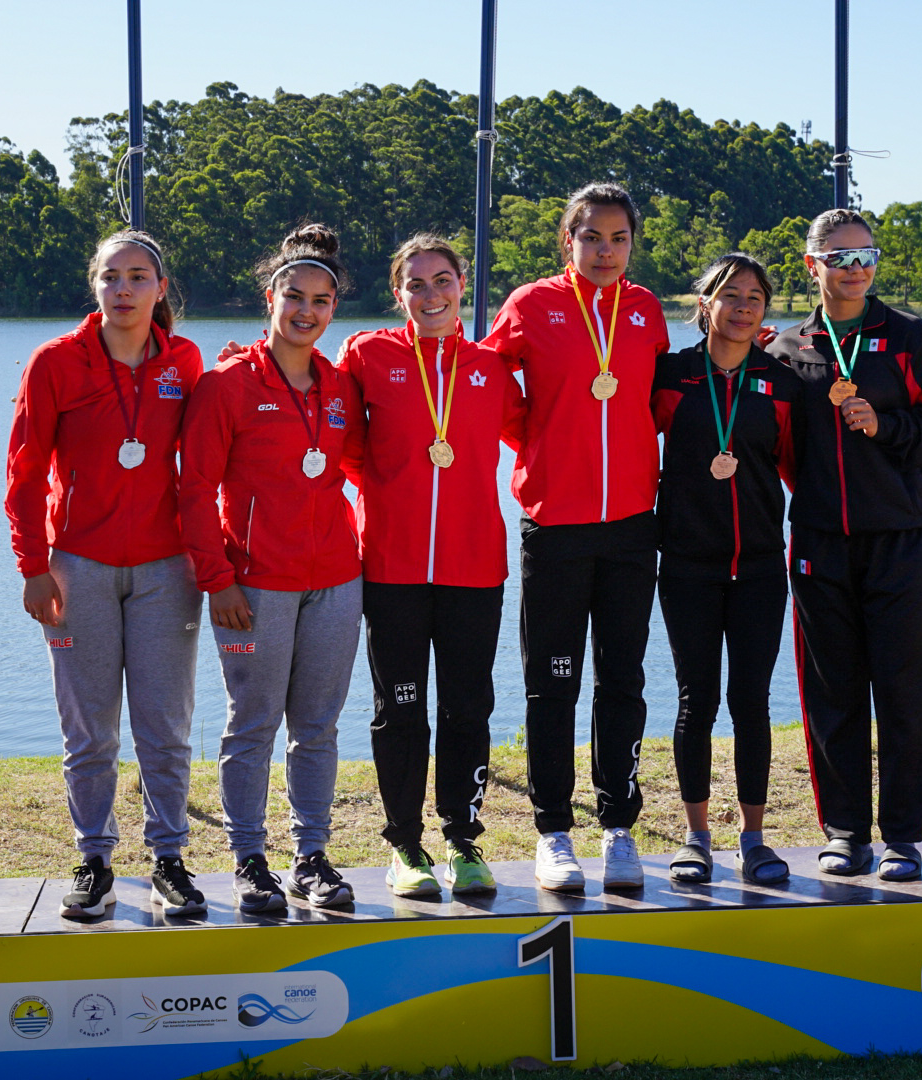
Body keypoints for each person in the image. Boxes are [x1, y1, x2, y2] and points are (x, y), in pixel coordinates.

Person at [6, 229, 209, 919]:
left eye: (137, 277)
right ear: (95, 285)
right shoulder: (55, 362)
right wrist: (33, 566)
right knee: (90, 732)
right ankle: (94, 860)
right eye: (110, 276)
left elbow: (204, 465)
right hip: (78, 570)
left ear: (160, 288)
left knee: (165, 729)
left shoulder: (184, 361)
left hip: (166, 572)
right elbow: (24, 473)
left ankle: (169, 860)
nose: (123, 289)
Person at [763, 208, 922, 882]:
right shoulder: (785, 350)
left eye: (867, 255)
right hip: (819, 544)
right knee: (832, 695)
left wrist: (886, 426)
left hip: (900, 539)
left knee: (904, 694)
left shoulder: (911, 336)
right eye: (841, 257)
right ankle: (846, 833)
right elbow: (772, 442)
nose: (856, 269)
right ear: (812, 265)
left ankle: (903, 837)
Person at [483, 182, 671, 892]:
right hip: (555, 524)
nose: (605, 251)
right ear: (569, 240)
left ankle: (619, 825)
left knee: (622, 681)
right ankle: (554, 830)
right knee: (552, 684)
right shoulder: (532, 304)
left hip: (631, 526)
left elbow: (662, 396)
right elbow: (485, 377)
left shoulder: (646, 309)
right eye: (591, 237)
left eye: (618, 238)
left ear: (632, 244)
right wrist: (533, 437)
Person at [179, 224, 365, 914]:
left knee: (317, 726)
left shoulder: (340, 387)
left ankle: (310, 857)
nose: (306, 311)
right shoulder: (226, 384)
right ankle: (249, 860)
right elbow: (194, 491)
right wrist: (217, 579)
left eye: (321, 300)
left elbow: (359, 468)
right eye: (295, 296)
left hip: (336, 582)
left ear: (334, 308)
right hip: (254, 587)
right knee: (253, 724)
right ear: (270, 298)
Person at [335, 234, 525, 899]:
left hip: (474, 566)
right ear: (399, 294)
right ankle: (405, 846)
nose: (431, 294)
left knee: (468, 708)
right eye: (415, 284)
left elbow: (540, 430)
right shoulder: (368, 354)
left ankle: (462, 841)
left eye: (442, 280)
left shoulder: (491, 367)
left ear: (462, 285)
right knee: (401, 709)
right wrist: (388, 492)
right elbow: (340, 435)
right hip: (393, 565)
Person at [649, 253, 798, 886]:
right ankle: (697, 837)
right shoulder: (670, 376)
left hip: (761, 566)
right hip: (687, 566)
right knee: (697, 701)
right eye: (730, 295)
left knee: (751, 702)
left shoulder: (781, 381)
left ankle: (754, 840)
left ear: (765, 310)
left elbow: (797, 466)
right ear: (704, 303)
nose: (742, 307)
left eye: (754, 298)